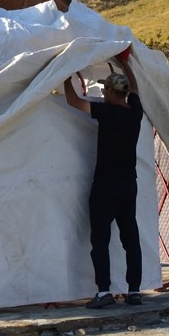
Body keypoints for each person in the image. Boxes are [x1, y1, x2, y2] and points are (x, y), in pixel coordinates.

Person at [61, 48, 145, 309]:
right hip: (128, 184)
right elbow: (135, 88)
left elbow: (73, 101)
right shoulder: (135, 112)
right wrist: (125, 62)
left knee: (100, 239)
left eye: (105, 89)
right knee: (130, 238)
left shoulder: (107, 113)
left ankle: (104, 291)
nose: (103, 93)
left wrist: (64, 75)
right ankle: (134, 290)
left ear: (109, 92)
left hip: (106, 186)